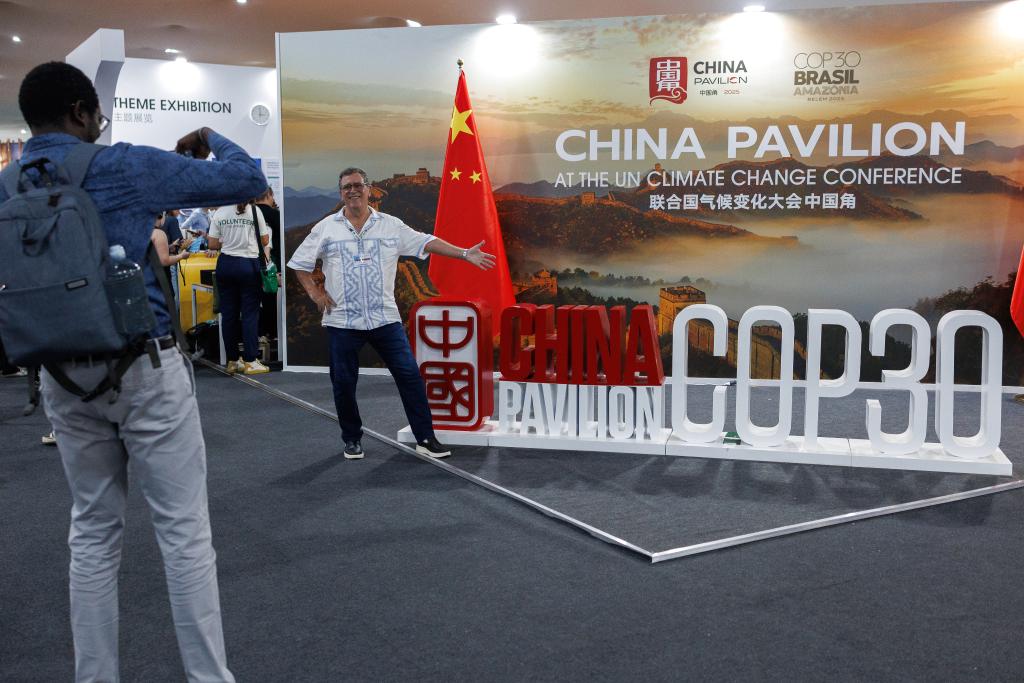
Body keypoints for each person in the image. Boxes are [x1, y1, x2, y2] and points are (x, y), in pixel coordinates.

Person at [0, 61, 267, 683]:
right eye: (96, 110)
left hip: (61, 377)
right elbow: (248, 177)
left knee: (92, 535)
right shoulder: (121, 165)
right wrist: (209, 136)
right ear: (80, 111)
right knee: (183, 534)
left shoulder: (8, 184)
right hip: (144, 364)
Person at [288, 167, 495, 460]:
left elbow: (425, 241)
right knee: (343, 384)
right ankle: (352, 439)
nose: (353, 191)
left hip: (384, 319)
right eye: (347, 187)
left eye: (358, 185)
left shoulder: (390, 225)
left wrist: (464, 253)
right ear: (341, 193)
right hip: (343, 320)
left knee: (410, 377)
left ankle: (425, 438)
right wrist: (315, 294)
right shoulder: (326, 228)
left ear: (368, 189)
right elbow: (299, 263)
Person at [208, 199, 271, 375]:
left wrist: (228, 241)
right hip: (248, 264)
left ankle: (233, 361)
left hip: (226, 264)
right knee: (250, 314)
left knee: (228, 315)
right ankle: (250, 361)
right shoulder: (255, 211)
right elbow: (265, 240)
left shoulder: (220, 211)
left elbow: (212, 244)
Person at [254, 188, 281, 342]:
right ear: (269, 195)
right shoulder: (276, 216)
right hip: (271, 265)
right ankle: (273, 333)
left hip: (249, 264)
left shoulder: (249, 214)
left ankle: (260, 333)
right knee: (270, 299)